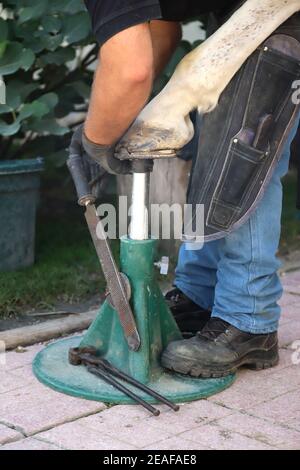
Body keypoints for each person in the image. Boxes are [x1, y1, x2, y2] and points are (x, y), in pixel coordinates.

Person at [70, 0, 300, 378]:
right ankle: (198, 295)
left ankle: (249, 320)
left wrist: (96, 138)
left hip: (280, 18)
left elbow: (132, 69)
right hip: (239, 20)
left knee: (248, 160)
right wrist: (110, 121)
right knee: (215, 157)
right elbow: (159, 28)